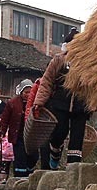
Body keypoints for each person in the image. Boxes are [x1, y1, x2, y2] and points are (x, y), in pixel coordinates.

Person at [33, 31, 90, 169]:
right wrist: (39, 102)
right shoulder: (59, 60)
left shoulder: (88, 62)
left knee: (77, 137)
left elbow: (93, 86)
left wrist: (92, 104)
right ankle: (55, 152)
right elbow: (46, 82)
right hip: (60, 104)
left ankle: (73, 167)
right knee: (60, 132)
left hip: (80, 105)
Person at [0, 79, 35, 178]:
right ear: (21, 92)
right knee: (20, 157)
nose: (28, 94)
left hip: (31, 136)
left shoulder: (35, 103)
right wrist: (1, 132)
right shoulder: (12, 103)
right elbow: (5, 119)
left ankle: (28, 175)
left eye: (30, 92)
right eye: (26, 92)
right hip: (17, 135)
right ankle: (19, 178)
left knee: (33, 157)